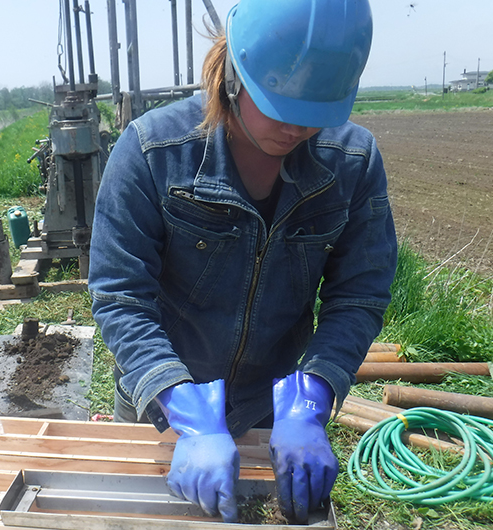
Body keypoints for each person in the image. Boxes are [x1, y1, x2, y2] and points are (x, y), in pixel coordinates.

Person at [88, 0, 396, 523]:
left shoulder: (352, 162)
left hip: (268, 413)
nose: (298, 128)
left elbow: (359, 295)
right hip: (166, 407)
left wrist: (312, 395)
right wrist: (183, 409)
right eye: (282, 105)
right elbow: (120, 296)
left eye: (316, 113)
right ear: (235, 72)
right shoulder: (152, 152)